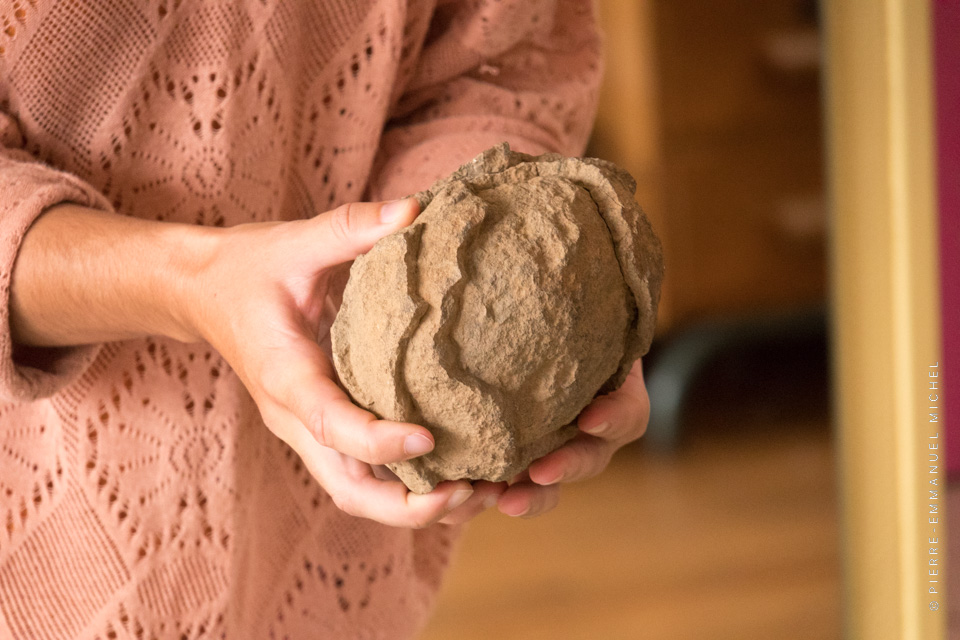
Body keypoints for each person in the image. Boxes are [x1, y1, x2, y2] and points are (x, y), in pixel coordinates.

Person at [0, 0, 650, 637]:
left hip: (339, 525)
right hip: (44, 532)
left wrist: (521, 284)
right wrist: (187, 283)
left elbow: (504, 56)